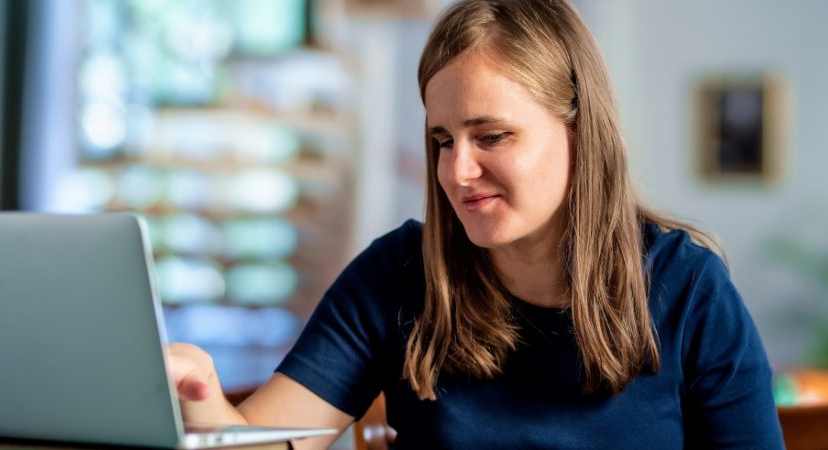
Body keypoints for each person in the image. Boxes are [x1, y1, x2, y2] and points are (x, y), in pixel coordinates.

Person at [169, 0, 784, 448]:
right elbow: (268, 445)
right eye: (442, 139)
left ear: (580, 134)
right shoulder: (397, 275)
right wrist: (201, 397)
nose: (457, 171)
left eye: (492, 136)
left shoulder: (688, 290)